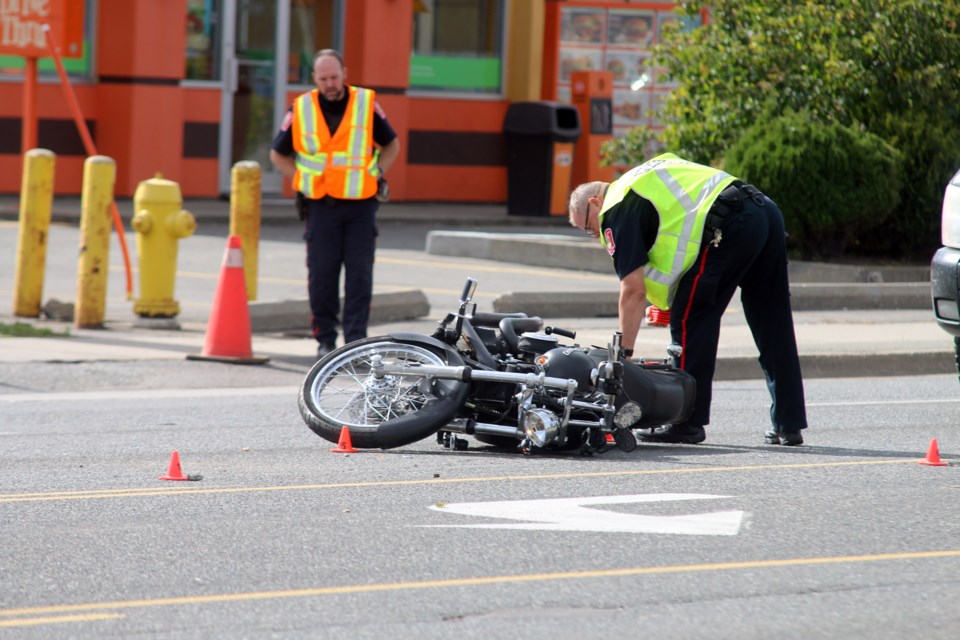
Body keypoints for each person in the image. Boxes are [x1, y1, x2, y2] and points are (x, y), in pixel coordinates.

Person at [568, 153, 807, 446]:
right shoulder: (640, 179)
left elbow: (633, 290)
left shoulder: (616, 207)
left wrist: (625, 357)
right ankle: (788, 423)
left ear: (595, 202)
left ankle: (687, 423)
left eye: (589, 228)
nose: (595, 236)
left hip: (730, 224)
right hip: (764, 211)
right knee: (773, 321)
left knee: (692, 320)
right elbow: (678, 235)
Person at [270, 49, 400, 359]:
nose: (330, 83)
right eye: (324, 78)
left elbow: (391, 143)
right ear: (314, 78)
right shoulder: (301, 108)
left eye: (335, 77)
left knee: (359, 276)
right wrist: (302, 180)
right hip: (321, 205)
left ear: (344, 73)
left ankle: (355, 343)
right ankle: (325, 341)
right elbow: (278, 154)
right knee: (322, 276)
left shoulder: (366, 104)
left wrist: (377, 172)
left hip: (360, 205)